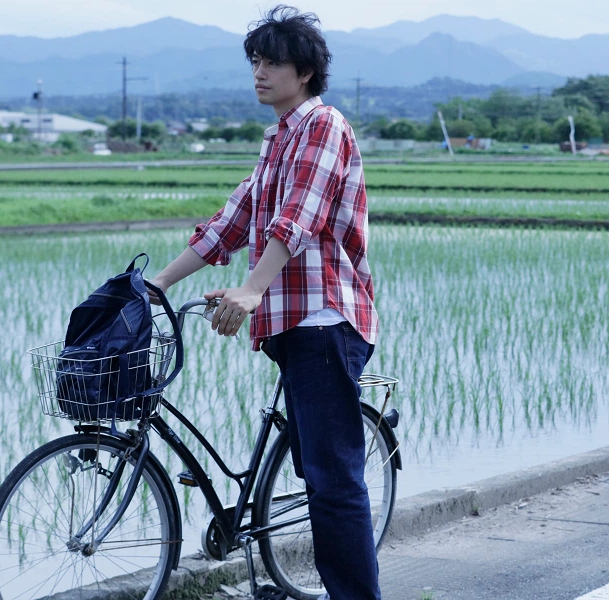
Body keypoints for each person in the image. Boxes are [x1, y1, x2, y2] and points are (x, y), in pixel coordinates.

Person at [147, 5, 380, 599]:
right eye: (254, 60)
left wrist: (252, 288)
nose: (259, 72)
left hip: (324, 318)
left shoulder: (323, 126)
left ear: (303, 71)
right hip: (289, 323)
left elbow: (298, 215)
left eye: (271, 62)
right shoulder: (277, 139)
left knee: (333, 483)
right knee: (317, 469)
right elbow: (236, 220)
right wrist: (160, 283)